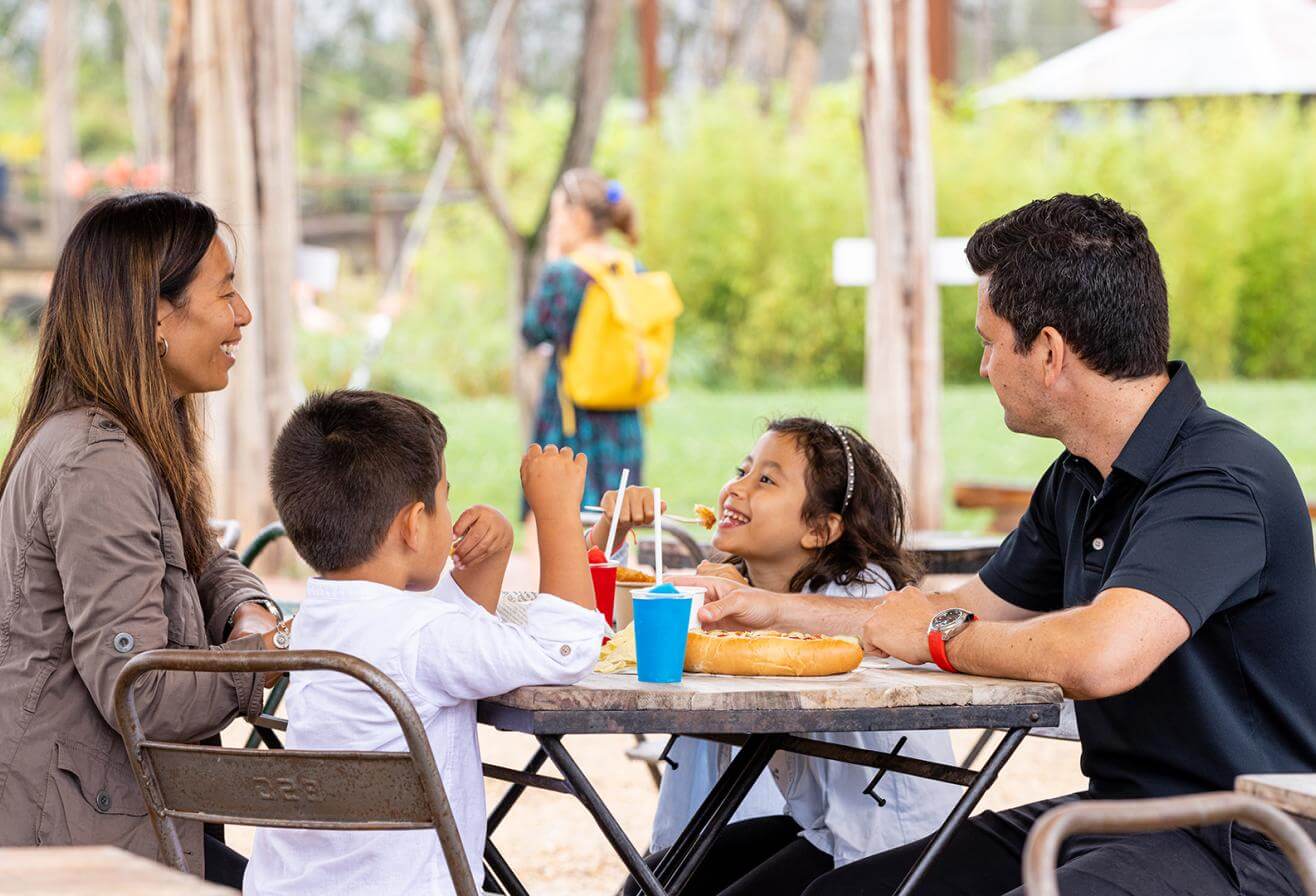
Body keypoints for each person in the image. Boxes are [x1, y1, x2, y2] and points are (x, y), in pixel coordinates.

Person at [684, 194, 1316, 896]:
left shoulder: (1220, 478)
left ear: (1047, 352)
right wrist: (773, 612)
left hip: (1252, 836)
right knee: (851, 891)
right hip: (1120, 815)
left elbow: (1098, 656)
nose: (984, 367)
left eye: (989, 341)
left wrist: (938, 634)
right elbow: (952, 609)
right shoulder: (1078, 477)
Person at [0, 193, 282, 887]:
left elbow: (199, 554)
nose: (242, 316)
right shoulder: (97, 462)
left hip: (113, 813)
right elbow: (142, 692)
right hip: (73, 844)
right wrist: (265, 663)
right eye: (226, 293)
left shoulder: (128, 438)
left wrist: (247, 611)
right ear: (158, 314)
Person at [243, 391, 607, 895]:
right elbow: (565, 649)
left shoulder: (317, 620)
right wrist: (557, 515)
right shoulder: (423, 636)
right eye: (445, 496)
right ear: (414, 524)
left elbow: (443, 636)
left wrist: (489, 557)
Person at [628, 418, 958, 896]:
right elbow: (617, 641)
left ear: (820, 529)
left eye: (765, 479)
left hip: (890, 839)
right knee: (649, 883)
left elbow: (840, 644)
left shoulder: (862, 594)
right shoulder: (746, 592)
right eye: (742, 470)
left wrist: (758, 616)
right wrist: (610, 536)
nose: (735, 489)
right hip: (821, 826)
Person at [522, 167, 644, 513]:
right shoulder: (632, 266)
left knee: (550, 510)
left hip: (570, 415)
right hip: (623, 418)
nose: (554, 223)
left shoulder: (564, 273)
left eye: (557, 213)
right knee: (619, 517)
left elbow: (533, 330)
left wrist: (551, 258)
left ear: (576, 216)